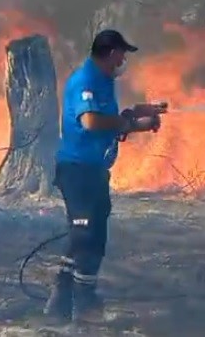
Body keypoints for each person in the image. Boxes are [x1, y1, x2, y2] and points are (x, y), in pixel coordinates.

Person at [44, 29, 164, 324]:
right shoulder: (86, 81)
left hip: (94, 172)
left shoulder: (103, 81)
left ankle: (59, 302)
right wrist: (133, 125)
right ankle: (84, 308)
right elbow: (91, 120)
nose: (124, 60)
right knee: (87, 235)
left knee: (86, 235)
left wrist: (134, 114)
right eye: (122, 54)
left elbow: (108, 119)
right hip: (78, 172)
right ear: (111, 53)